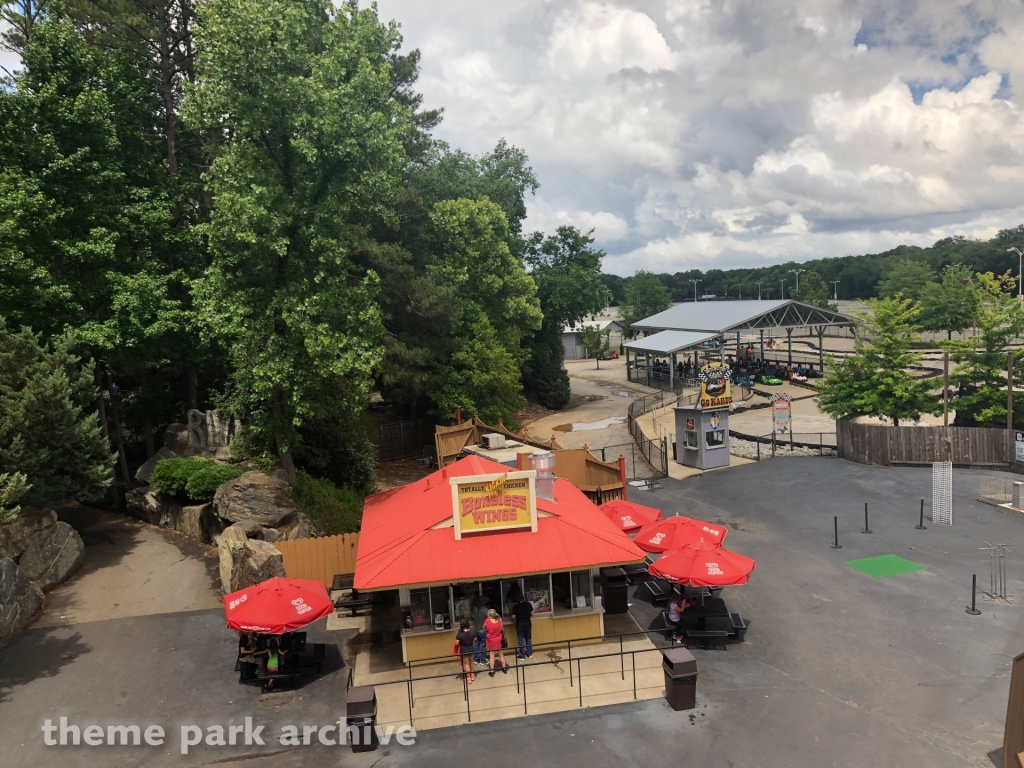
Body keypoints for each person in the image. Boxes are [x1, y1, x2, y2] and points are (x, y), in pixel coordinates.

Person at [484, 608, 508, 677]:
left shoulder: (487, 620)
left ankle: (492, 671)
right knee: (501, 655)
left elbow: (484, 627)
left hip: (491, 640)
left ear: (489, 614)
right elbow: (502, 626)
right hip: (499, 639)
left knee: (492, 656)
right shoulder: (499, 620)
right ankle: (504, 668)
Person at [511, 594, 534, 659]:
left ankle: (522, 655)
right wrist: (528, 616)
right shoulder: (527, 604)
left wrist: (513, 619)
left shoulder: (516, 606)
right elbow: (532, 613)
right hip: (528, 624)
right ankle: (529, 654)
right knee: (528, 639)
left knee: (521, 640)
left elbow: (513, 617)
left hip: (520, 626)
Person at [472, 596, 489, 667]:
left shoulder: (474, 608)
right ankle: (483, 660)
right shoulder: (486, 610)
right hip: (483, 630)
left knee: (476, 645)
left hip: (476, 630)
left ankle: (476, 659)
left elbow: (473, 616)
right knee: (483, 646)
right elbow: (489, 618)